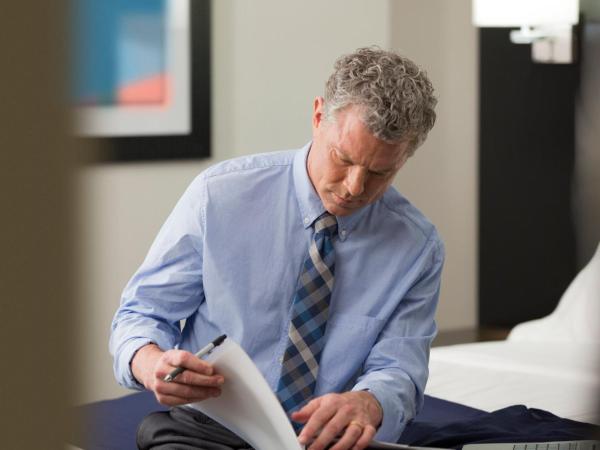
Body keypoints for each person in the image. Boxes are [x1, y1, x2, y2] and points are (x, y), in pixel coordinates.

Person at [110, 46, 443, 450]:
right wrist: (150, 364)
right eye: (343, 158)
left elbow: (399, 368)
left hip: (328, 441)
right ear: (318, 116)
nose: (355, 187)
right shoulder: (219, 196)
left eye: (380, 172)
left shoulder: (417, 247)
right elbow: (142, 313)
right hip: (211, 429)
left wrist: (369, 403)